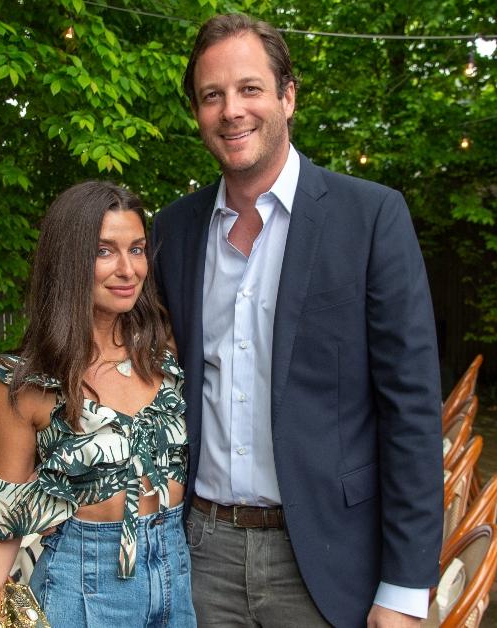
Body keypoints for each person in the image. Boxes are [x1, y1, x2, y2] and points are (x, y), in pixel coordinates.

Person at [150, 13, 443, 628]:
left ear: (288, 96)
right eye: (212, 95)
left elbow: (411, 410)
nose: (232, 110)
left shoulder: (371, 218)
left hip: (326, 560)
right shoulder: (173, 231)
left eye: (250, 88)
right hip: (199, 553)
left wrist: (406, 587)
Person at [0, 181, 195, 628]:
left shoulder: (164, 354)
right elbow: (2, 525)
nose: (128, 269)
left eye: (138, 249)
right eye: (104, 251)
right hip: (82, 587)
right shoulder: (24, 382)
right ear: (69, 260)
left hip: (175, 574)